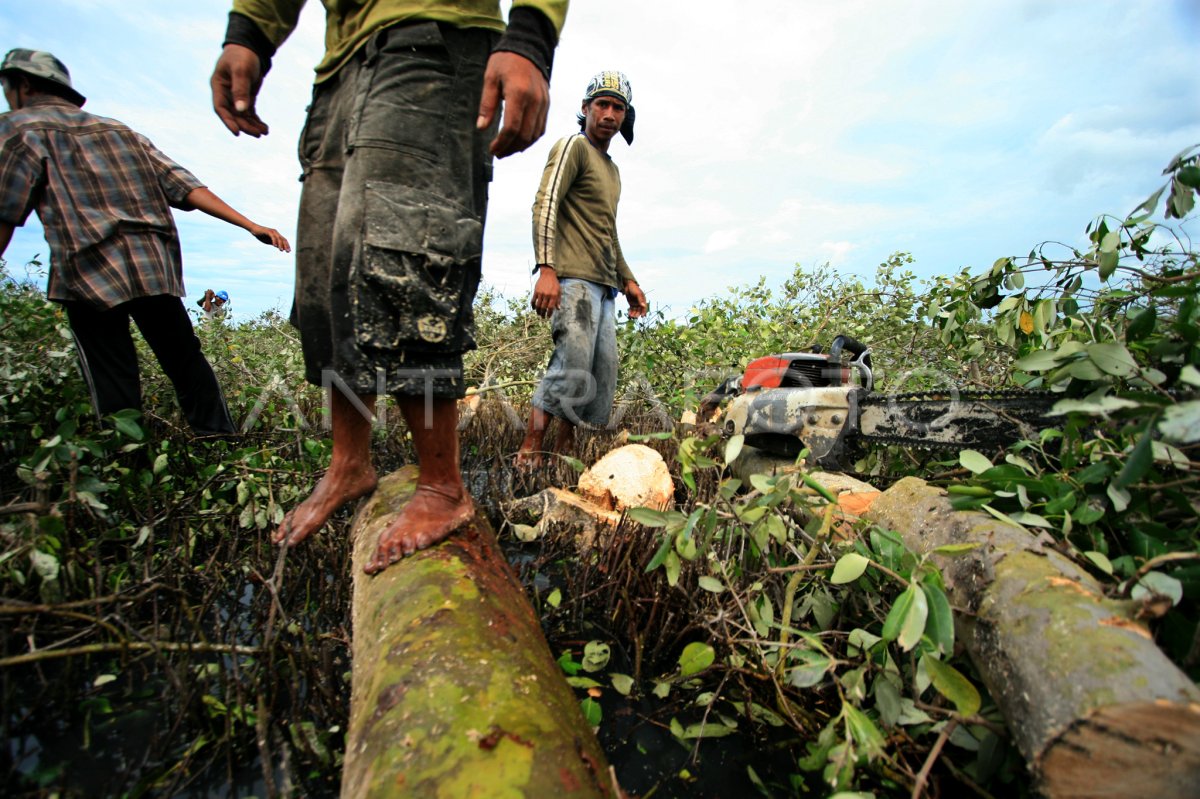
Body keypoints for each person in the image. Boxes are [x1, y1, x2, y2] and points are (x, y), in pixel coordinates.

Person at [210, 0, 569, 573]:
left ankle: (442, 486)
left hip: (435, 38)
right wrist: (250, 31)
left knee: (407, 252)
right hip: (339, 69)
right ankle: (348, 463)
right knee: (328, 271)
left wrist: (530, 34)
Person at [0, 49, 291, 436]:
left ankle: (128, 454)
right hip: (153, 266)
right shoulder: (121, 132)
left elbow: (4, 209)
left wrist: (250, 225)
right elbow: (185, 187)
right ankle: (220, 439)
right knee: (186, 362)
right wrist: (249, 224)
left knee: (113, 375)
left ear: (20, 85)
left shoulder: (18, 130)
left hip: (88, 272)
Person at [515, 71, 648, 466]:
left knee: (599, 369)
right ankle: (530, 450)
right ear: (586, 109)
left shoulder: (612, 171)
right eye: (602, 105)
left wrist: (629, 280)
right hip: (571, 277)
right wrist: (546, 268)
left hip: (604, 285)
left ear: (626, 116)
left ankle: (566, 450)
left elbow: (608, 231)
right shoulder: (573, 147)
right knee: (571, 362)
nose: (609, 113)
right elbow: (546, 203)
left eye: (617, 107)